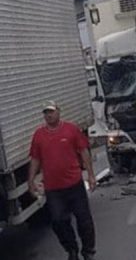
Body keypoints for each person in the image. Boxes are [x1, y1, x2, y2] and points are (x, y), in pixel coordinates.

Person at [28, 101, 96, 260]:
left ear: (58, 112)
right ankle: (71, 250)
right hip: (53, 189)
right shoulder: (39, 135)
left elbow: (84, 151)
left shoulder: (71, 129)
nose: (49, 115)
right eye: (46, 112)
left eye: (51, 111)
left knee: (84, 220)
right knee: (59, 221)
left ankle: (88, 251)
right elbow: (35, 159)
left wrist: (91, 176)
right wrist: (30, 181)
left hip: (74, 185)